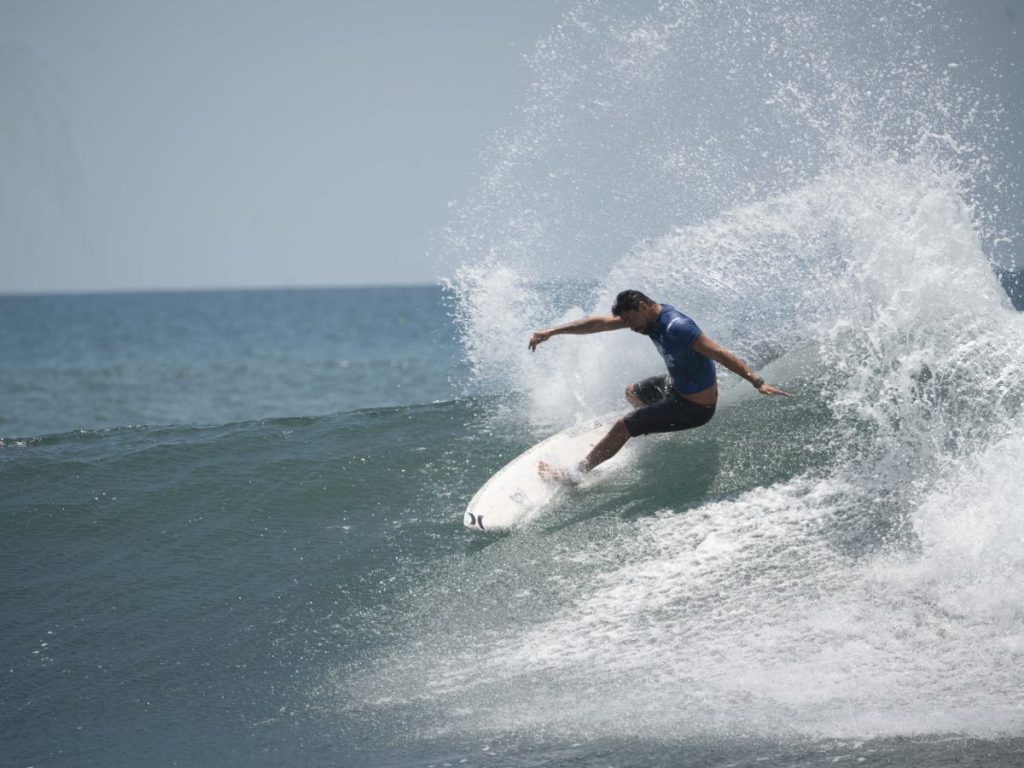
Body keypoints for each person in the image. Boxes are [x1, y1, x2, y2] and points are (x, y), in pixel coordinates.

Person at [528, 289, 791, 483]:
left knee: (623, 425)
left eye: (631, 320)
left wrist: (757, 382)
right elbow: (597, 323)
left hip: (695, 407)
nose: (629, 327)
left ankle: (576, 474)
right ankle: (649, 426)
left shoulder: (678, 327)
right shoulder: (648, 320)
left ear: (642, 306)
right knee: (632, 392)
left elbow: (720, 353)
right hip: (676, 387)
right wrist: (551, 332)